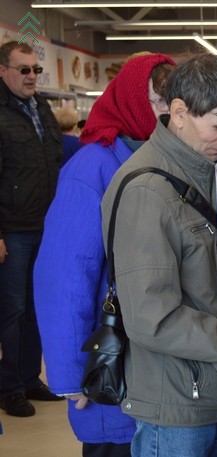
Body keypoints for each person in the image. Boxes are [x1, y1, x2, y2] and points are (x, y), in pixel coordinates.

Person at [100, 53, 217, 457]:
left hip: (207, 386)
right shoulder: (148, 191)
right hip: (177, 405)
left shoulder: (206, 173)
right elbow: (152, 317)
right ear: (180, 112)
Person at [34, 53, 176, 457]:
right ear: (131, 99)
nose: (167, 113)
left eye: (174, 102)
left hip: (151, 375)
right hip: (107, 373)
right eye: (157, 101)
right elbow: (63, 278)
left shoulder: (160, 159)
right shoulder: (92, 167)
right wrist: (68, 375)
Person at [0, 41, 64, 418]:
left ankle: (28, 378)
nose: (30, 76)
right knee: (11, 311)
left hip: (45, 226)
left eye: (35, 70)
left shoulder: (42, 108)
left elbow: (54, 162)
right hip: (13, 230)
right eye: (23, 70)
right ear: (3, 71)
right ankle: (8, 387)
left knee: (37, 309)